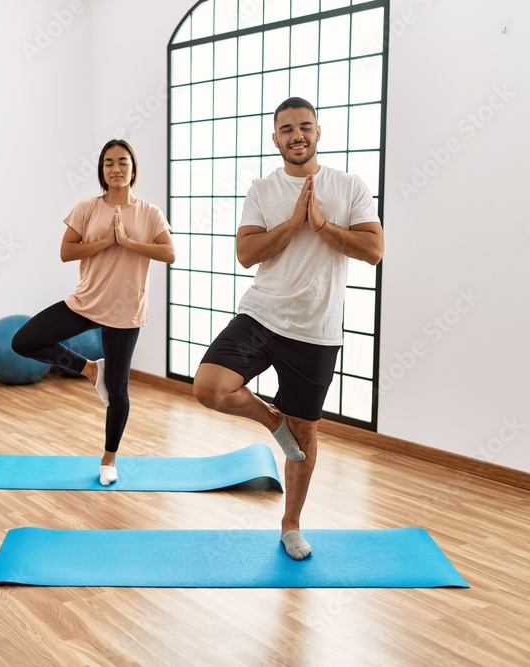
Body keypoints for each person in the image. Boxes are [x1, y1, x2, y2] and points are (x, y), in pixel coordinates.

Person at [193, 97, 384, 560]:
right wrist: (293, 222)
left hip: (317, 328)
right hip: (262, 313)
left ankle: (291, 524)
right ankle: (270, 419)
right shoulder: (262, 189)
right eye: (286, 129)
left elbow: (373, 250)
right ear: (275, 138)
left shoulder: (348, 186)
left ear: (319, 132)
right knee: (209, 388)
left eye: (305, 126)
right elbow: (247, 254)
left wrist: (321, 225)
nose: (296, 135)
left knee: (306, 434)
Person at [12, 138, 174, 486]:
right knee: (24, 341)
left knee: (118, 392)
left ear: (133, 169)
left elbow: (168, 253)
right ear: (101, 171)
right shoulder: (87, 208)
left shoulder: (149, 213)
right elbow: (67, 252)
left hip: (126, 309)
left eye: (122, 162)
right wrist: (107, 241)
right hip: (86, 301)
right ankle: (88, 369)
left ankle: (109, 458)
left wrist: (128, 241)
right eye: (108, 163)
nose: (116, 169)